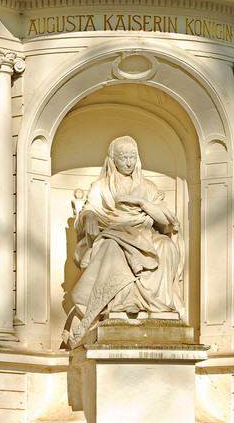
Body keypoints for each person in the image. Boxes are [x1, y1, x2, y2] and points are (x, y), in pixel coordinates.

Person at [66, 136, 184, 343]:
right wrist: (90, 217)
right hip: (112, 234)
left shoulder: (148, 187)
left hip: (146, 235)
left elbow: (168, 220)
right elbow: (85, 214)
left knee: (166, 246)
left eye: (132, 157)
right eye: (123, 157)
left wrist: (141, 202)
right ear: (113, 159)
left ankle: (157, 305)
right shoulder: (101, 187)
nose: (129, 162)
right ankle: (122, 303)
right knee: (113, 246)